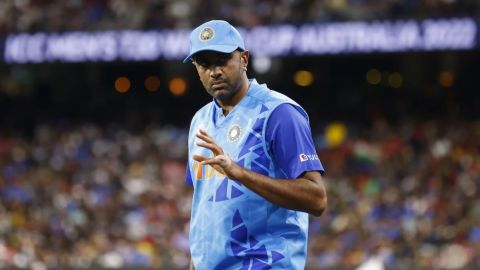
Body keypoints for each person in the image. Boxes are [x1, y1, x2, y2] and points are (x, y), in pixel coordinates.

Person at [183, 20, 327, 270]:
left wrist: (239, 173)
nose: (214, 71)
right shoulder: (200, 121)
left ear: (244, 59)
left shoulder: (279, 113)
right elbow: (204, 207)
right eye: (204, 64)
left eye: (222, 60)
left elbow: (317, 199)